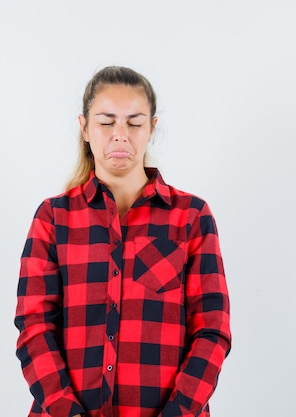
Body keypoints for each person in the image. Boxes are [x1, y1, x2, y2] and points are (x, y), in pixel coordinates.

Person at [14, 66, 231, 417]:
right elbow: (33, 328)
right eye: (106, 121)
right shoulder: (53, 217)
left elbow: (212, 330)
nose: (120, 136)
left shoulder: (191, 217)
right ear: (84, 127)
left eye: (134, 123)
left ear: (152, 129)